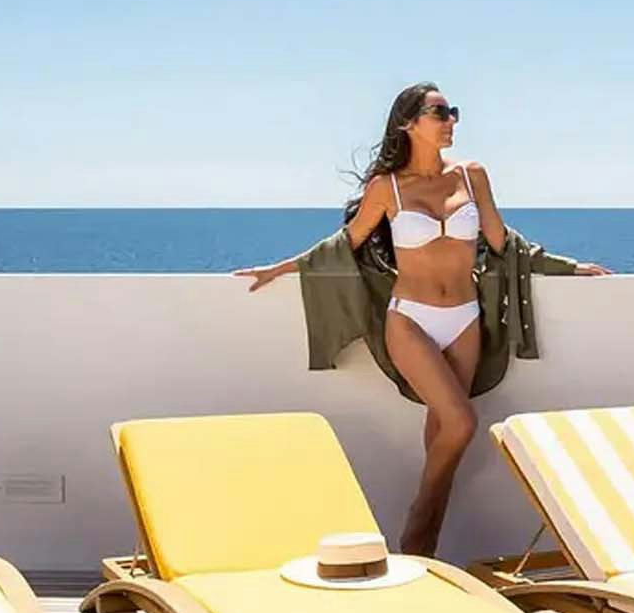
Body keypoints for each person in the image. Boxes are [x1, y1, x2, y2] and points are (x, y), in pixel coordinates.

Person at [237, 83, 610, 555]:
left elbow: (504, 242)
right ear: (408, 123)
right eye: (440, 112)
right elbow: (344, 244)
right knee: (461, 422)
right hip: (410, 319)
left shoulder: (472, 176)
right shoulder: (387, 187)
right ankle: (418, 523)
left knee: (444, 432)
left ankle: (421, 549)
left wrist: (568, 267)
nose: (451, 120)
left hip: (465, 319)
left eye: (453, 112)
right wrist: (279, 268)